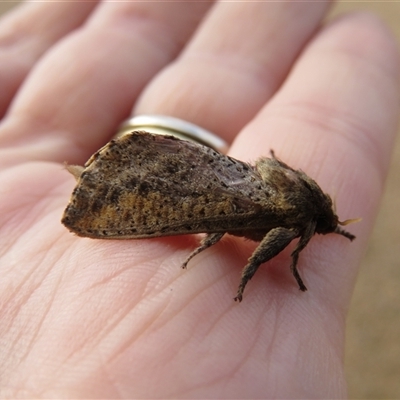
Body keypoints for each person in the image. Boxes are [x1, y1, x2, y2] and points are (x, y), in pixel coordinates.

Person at [0, 2, 398, 398]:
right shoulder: (295, 219)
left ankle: (111, 181)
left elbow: (268, 168)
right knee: (204, 210)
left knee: (214, 203)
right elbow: (270, 248)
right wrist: (257, 276)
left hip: (217, 170)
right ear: (315, 220)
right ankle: (104, 191)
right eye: (325, 226)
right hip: (218, 192)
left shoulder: (301, 205)